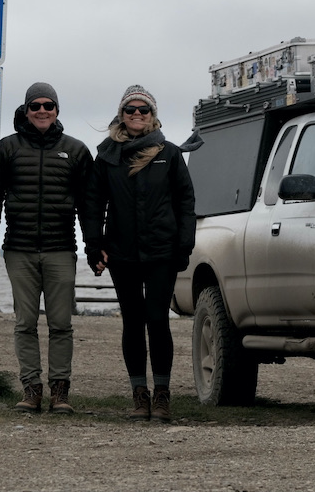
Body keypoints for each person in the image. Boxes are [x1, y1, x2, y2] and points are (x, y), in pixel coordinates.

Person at [84, 84, 197, 422]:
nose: (136, 114)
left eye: (143, 109)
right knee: (133, 322)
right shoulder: (106, 155)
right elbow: (92, 205)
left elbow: (186, 203)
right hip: (122, 252)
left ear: (152, 115)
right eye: (130, 109)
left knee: (157, 320)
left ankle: (162, 395)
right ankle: (139, 396)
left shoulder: (170, 153)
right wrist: (93, 244)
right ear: (121, 114)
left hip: (163, 252)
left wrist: (184, 246)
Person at [0, 82, 93, 414]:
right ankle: (31, 390)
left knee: (61, 324)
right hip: (19, 250)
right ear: (25, 111)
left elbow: (89, 204)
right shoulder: (7, 149)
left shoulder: (76, 150)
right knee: (25, 322)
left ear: (57, 110)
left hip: (61, 249)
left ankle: (60, 392)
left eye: (49, 105)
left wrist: (94, 245)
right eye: (35, 106)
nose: (42, 110)